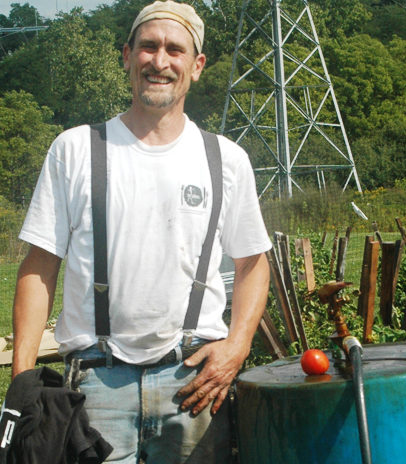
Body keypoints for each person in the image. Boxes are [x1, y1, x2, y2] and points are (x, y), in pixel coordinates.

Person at [11, 1, 272, 462]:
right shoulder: (75, 150)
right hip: (95, 386)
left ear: (197, 66)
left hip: (193, 384)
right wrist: (22, 385)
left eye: (175, 49)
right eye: (148, 46)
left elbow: (252, 262)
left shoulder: (226, 160)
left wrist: (238, 345)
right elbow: (39, 267)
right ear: (127, 55)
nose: (160, 60)